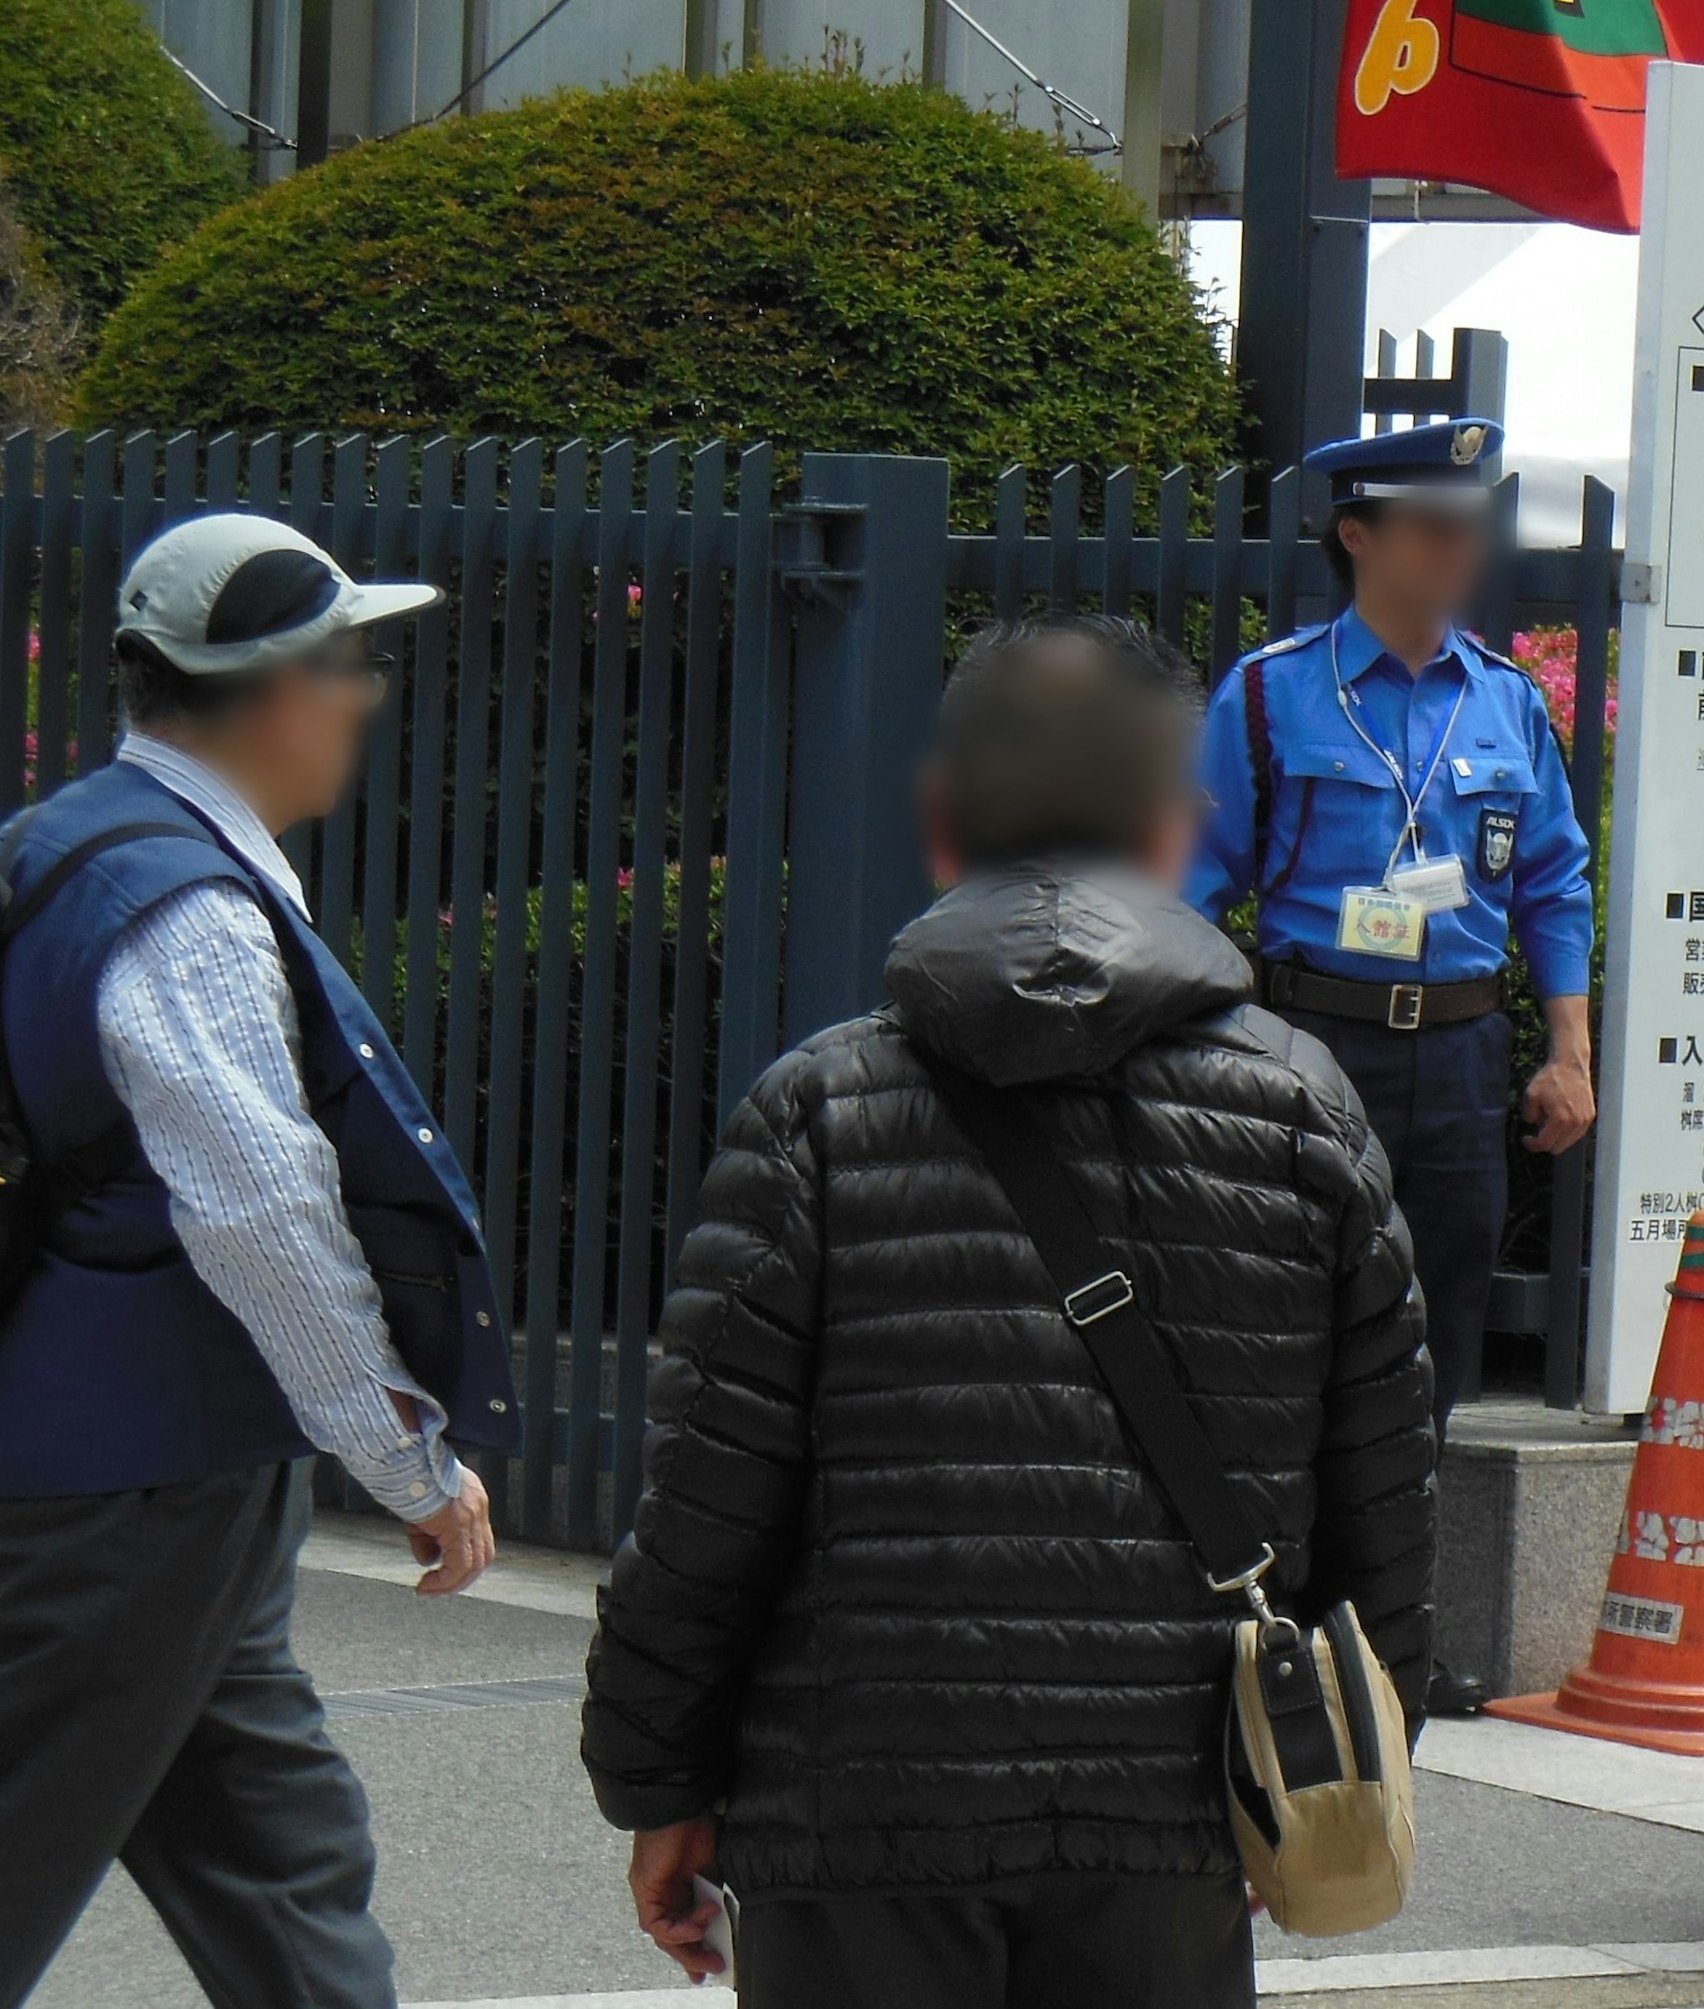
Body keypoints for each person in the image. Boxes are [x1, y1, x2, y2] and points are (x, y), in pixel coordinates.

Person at [582, 616, 1437, 2009]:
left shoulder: (818, 1110)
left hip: (854, 1813)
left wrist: (659, 1778)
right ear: (1175, 833)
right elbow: (1384, 1495)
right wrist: (1339, 1773)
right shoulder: (1300, 1112)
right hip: (1171, 1813)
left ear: (939, 823)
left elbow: (706, 1501)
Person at [0, 513, 509, 2009]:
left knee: (277, 1847)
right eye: (354, 661)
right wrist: (404, 1449)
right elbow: (258, 1207)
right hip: (132, 1487)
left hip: (146, 1460)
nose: (367, 693)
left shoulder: (64, 842)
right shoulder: (189, 907)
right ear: (276, 686)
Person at [1188, 418, 1595, 1713]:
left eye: (1468, 524)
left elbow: (1554, 883)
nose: (1456, 548)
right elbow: (1196, 888)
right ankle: (1285, 1631)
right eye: (1429, 525)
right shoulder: (1270, 695)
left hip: (1468, 1055)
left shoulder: (1507, 700)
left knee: (1435, 1348)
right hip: (1313, 1045)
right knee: (1292, 1337)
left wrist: (1569, 1051)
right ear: (1358, 535)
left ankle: (1388, 1651)